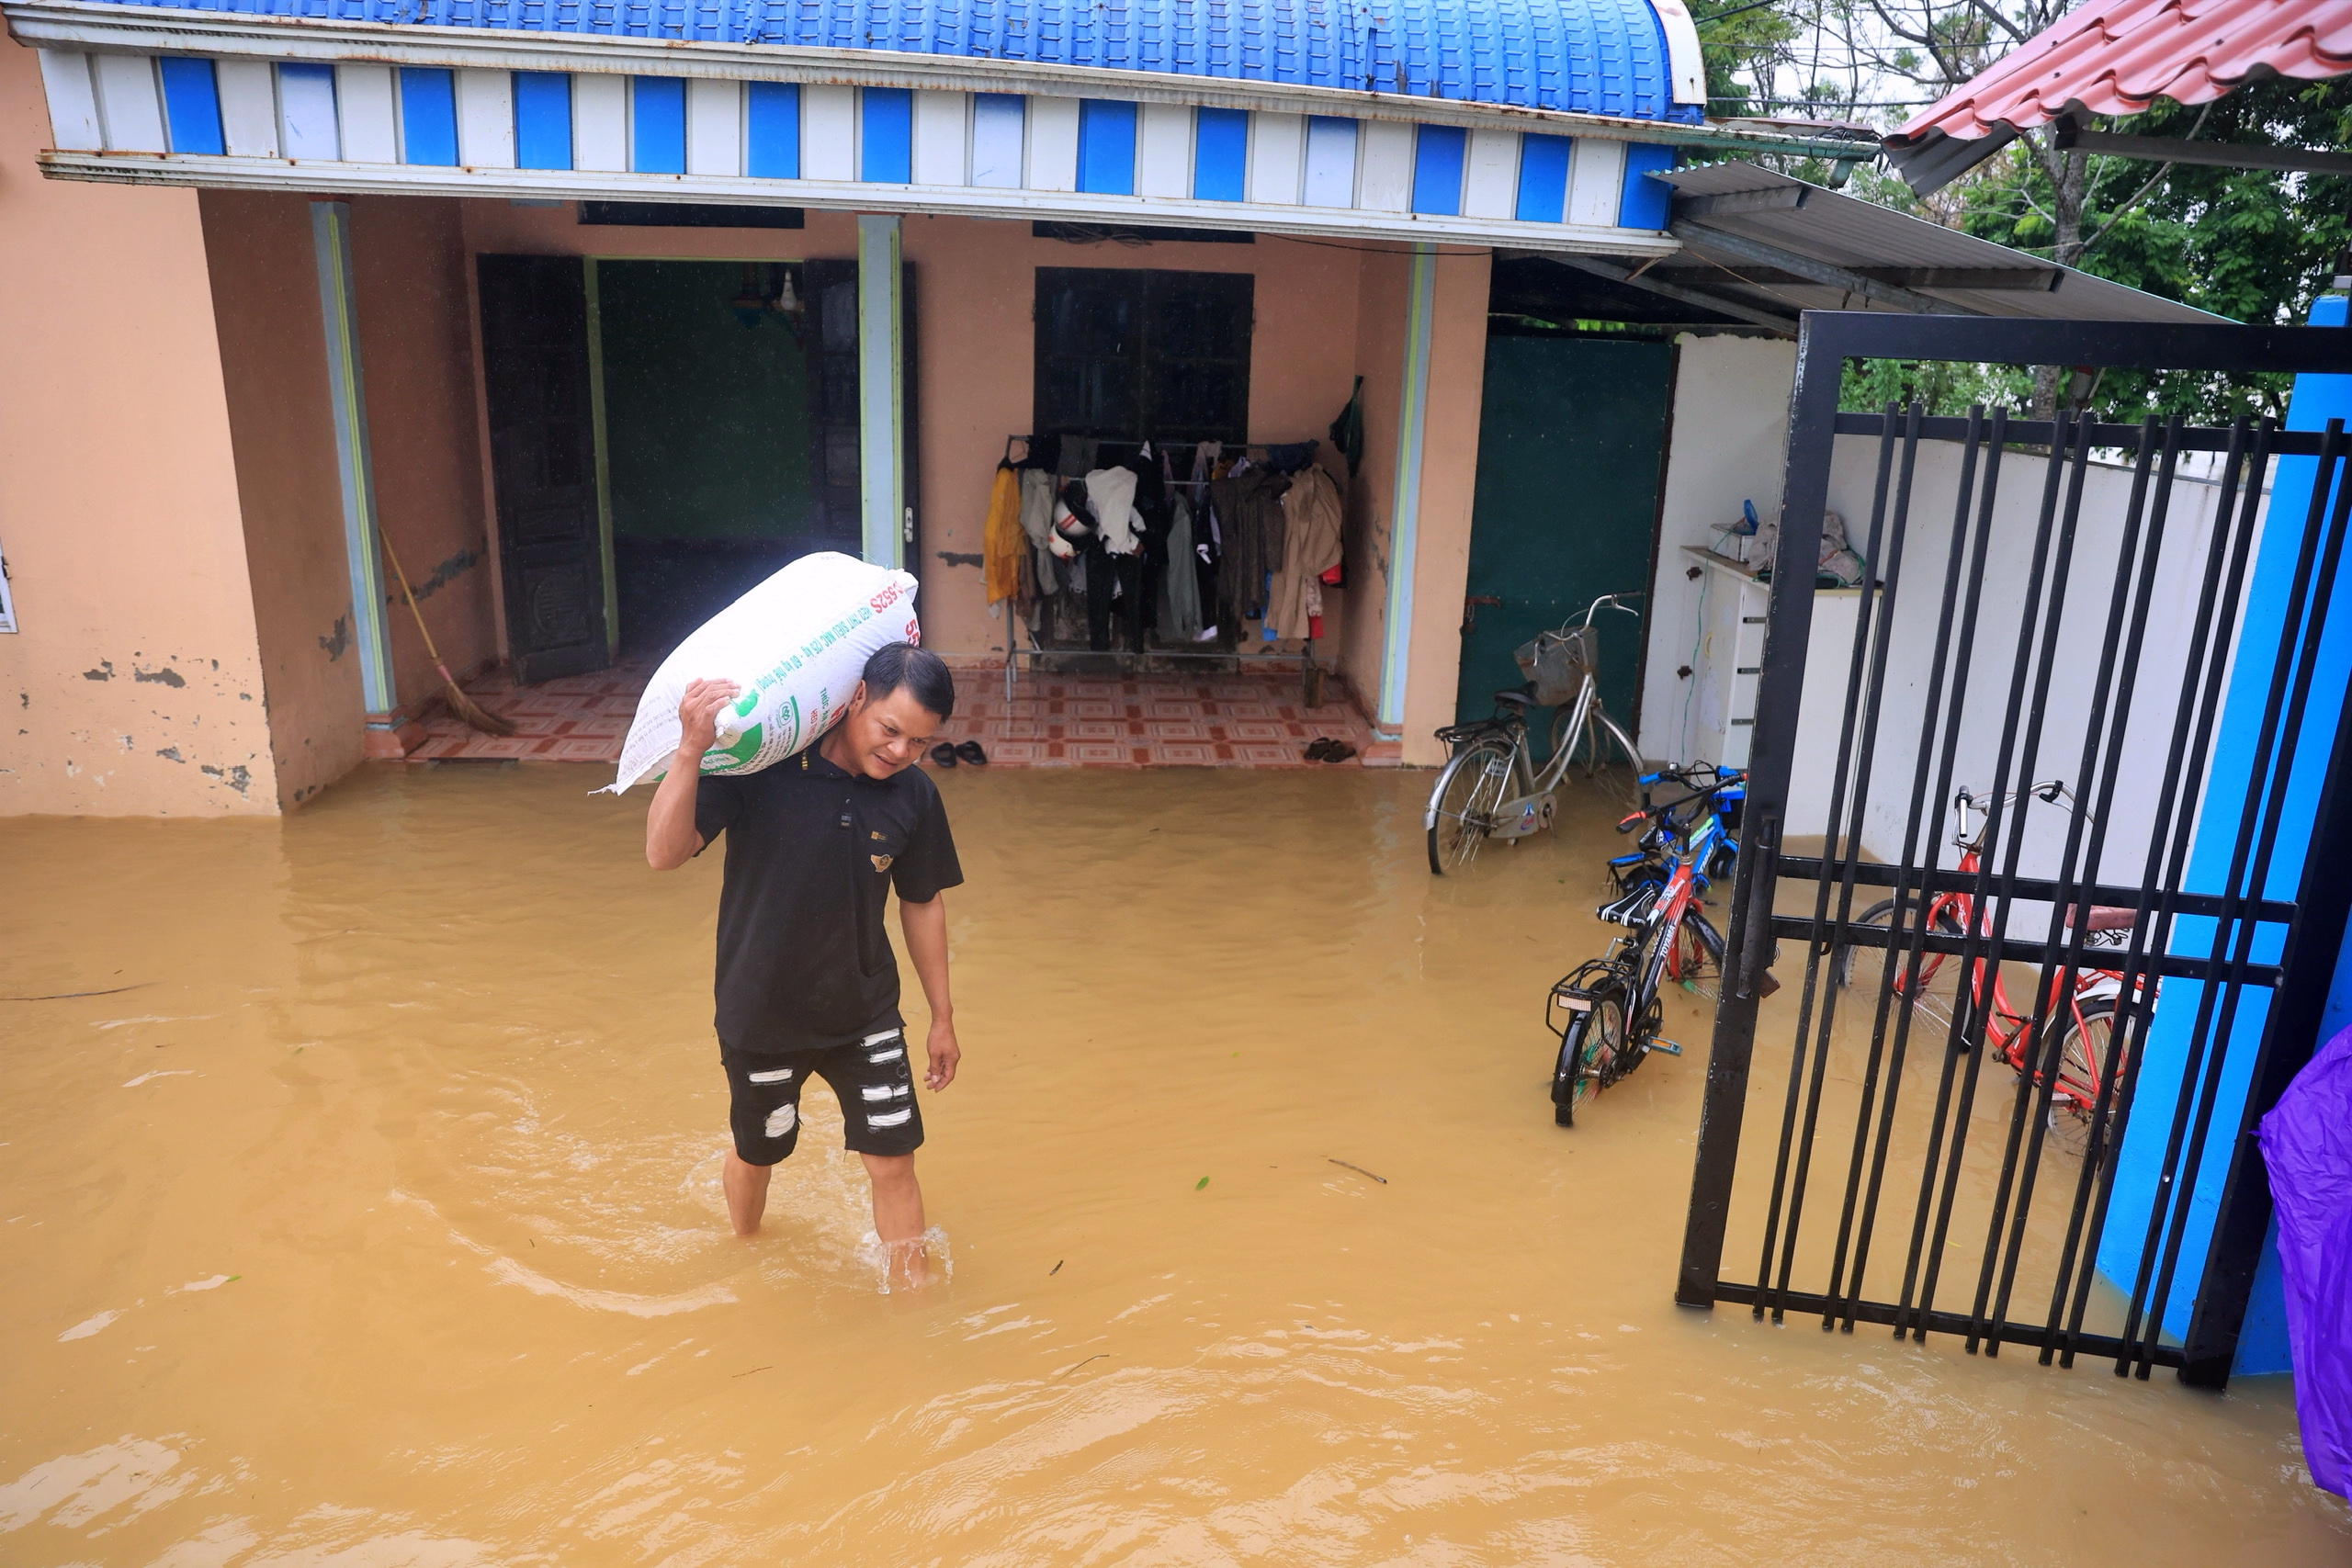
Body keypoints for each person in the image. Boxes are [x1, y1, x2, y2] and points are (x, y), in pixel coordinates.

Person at [644, 642, 963, 1289]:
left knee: (895, 1164)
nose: (901, 751)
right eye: (891, 730)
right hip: (761, 1013)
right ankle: (743, 1250)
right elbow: (663, 853)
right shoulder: (762, 769)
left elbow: (922, 902)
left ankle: (916, 1308)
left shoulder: (913, 796)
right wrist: (690, 750)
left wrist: (942, 1017)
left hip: (864, 1011)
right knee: (758, 1151)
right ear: (856, 700)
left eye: (920, 743)